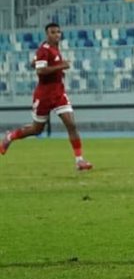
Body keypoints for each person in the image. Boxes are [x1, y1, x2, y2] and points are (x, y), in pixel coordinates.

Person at [0, 22, 92, 170]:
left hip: (58, 93)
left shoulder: (55, 48)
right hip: (43, 95)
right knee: (37, 129)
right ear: (47, 34)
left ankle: (79, 161)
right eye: (53, 32)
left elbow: (36, 64)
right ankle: (10, 136)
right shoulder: (44, 50)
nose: (56, 35)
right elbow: (40, 71)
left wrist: (44, 65)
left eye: (58, 32)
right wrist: (61, 66)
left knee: (71, 124)